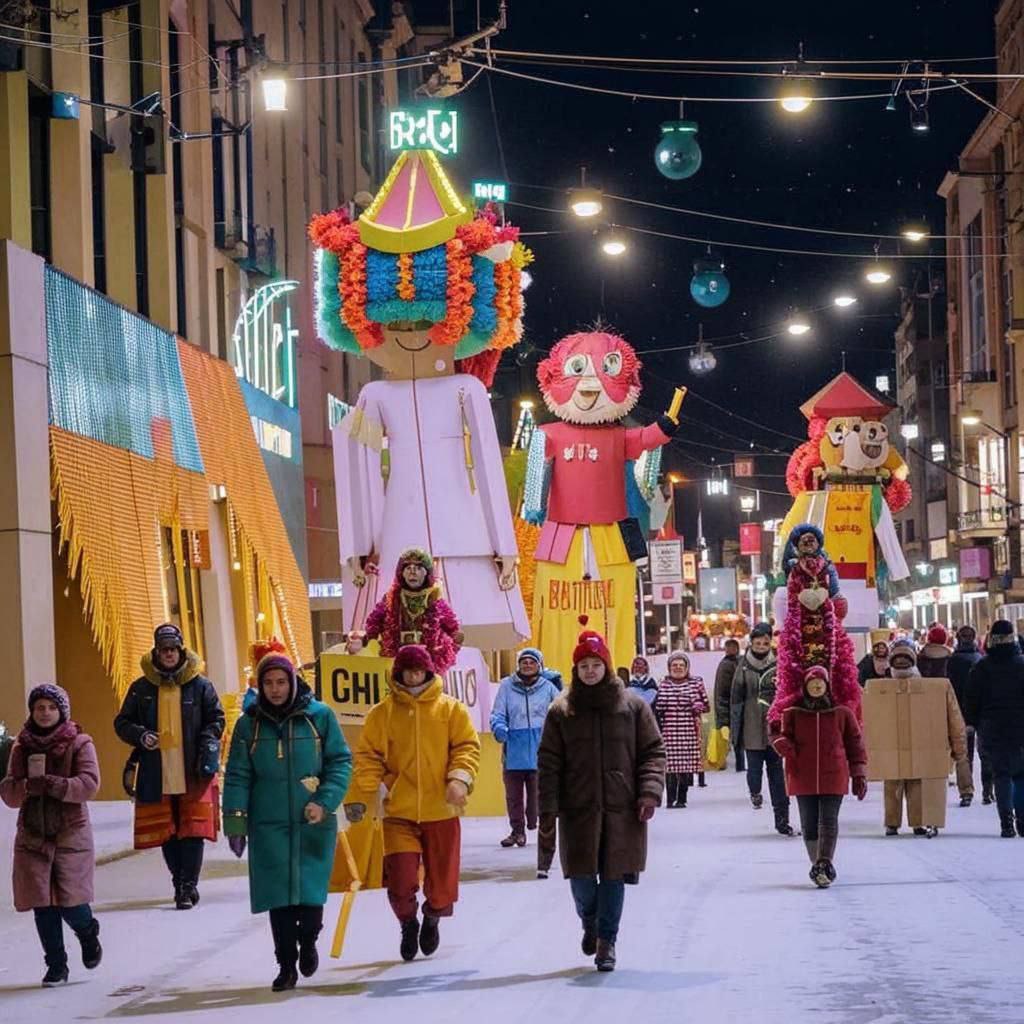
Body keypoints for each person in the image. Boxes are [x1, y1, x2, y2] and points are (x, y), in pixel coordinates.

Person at [537, 620, 666, 972]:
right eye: (584, 666)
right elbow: (548, 762)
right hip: (577, 810)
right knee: (581, 880)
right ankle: (589, 922)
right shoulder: (562, 711)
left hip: (622, 810)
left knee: (613, 875)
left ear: (606, 666)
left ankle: (607, 941)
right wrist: (547, 808)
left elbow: (653, 751)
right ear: (575, 669)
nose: (590, 671)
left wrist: (649, 793)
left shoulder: (633, 707)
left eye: (596, 665)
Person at [223, 653, 351, 992]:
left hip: (312, 823)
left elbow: (340, 762)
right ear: (260, 685)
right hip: (267, 826)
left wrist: (324, 802)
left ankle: (308, 942)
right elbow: (237, 775)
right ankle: (286, 966)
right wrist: (235, 822)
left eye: (281, 682)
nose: (275, 689)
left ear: (292, 682)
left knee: (310, 899)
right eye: (268, 683)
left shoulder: (319, 717)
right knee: (277, 899)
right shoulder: (248, 725)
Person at [344, 645, 480, 961]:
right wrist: (376, 785)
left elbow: (466, 747)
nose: (414, 676)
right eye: (408, 671)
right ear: (399, 674)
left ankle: (432, 916)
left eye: (419, 670)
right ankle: (408, 922)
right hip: (398, 811)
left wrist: (458, 779)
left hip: (441, 809)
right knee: (401, 877)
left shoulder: (451, 710)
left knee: (443, 878)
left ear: (429, 671)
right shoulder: (382, 713)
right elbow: (367, 754)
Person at [114, 623, 225, 909]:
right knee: (168, 831)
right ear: (156, 652)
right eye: (164, 650)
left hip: (192, 769)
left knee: (192, 830)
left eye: (173, 649)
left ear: (181, 650)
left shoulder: (201, 685)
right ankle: (180, 882)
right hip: (156, 769)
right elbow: (122, 723)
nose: (169, 654)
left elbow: (216, 718)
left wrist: (208, 740)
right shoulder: (141, 688)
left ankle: (188, 886)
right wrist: (141, 735)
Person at [1, 684, 102, 987]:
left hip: (70, 833)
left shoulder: (80, 742)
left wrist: (56, 785)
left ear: (62, 711)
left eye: (51, 707)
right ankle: (56, 965)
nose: (45, 713)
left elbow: (89, 784)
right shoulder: (21, 746)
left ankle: (87, 932)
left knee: (71, 902)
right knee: (42, 903)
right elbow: (8, 791)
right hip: (32, 835)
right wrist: (27, 787)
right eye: (39, 708)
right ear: (32, 712)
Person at [770, 667, 868, 888]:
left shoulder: (842, 713)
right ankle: (816, 863)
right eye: (812, 683)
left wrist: (859, 772)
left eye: (820, 683)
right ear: (805, 687)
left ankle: (824, 862)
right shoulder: (792, 713)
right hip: (801, 775)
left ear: (827, 686)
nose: (816, 687)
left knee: (828, 820)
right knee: (809, 823)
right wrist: (781, 744)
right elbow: (775, 730)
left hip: (834, 774)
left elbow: (855, 743)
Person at [882, 639, 967, 838]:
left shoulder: (880, 689)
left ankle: (892, 822)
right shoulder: (930, 687)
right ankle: (918, 822)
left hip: (891, 743)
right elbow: (951, 717)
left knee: (892, 783)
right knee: (917, 783)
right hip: (923, 742)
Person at [490, 647, 561, 849]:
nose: (527, 665)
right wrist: (500, 728)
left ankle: (532, 821)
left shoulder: (548, 688)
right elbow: (498, 713)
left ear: (539, 665)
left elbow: (560, 712)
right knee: (513, 796)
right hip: (513, 750)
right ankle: (517, 831)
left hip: (540, 751)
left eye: (532, 662)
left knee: (536, 796)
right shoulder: (506, 686)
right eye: (524, 662)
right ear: (518, 665)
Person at [730, 623, 795, 835]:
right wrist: (730, 725)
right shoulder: (743, 666)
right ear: (751, 643)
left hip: (773, 725)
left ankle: (782, 818)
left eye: (765, 642)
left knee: (777, 774)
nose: (761, 646)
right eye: (757, 643)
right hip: (750, 725)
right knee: (754, 769)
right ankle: (755, 792)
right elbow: (734, 698)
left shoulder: (778, 665)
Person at [966, 620, 1024, 838]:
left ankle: (1006, 823)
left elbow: (972, 698)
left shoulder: (981, 667)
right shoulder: (1022, 664)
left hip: (992, 727)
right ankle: (1023, 819)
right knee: (1021, 775)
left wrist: (971, 722)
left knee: (1001, 775)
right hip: (1020, 727)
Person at [362, 548, 463, 673]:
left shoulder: (436, 601)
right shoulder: (390, 599)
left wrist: (444, 655)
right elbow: (373, 624)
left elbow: (455, 632)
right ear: (401, 573)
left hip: (428, 665)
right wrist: (370, 642)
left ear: (427, 573)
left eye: (419, 568)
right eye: (408, 568)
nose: (412, 573)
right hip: (396, 661)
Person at [653, 651, 710, 808]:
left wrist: (697, 706)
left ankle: (682, 798)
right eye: (674, 665)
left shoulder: (696, 683)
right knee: (670, 766)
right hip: (670, 731)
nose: (678, 668)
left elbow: (706, 706)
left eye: (681, 665)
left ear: (687, 667)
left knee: (685, 765)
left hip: (689, 730)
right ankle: (670, 799)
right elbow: (657, 708)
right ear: (669, 667)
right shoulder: (663, 684)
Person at [948, 625, 990, 806]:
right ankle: (988, 791)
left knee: (964, 753)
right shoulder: (980, 659)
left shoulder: (952, 660)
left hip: (960, 711)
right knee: (985, 752)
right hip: (982, 712)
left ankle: (967, 791)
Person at [713, 639, 742, 770]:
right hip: (727, 704)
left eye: (733, 647)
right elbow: (726, 688)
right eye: (728, 647)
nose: (730, 650)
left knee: (731, 734)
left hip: (728, 704)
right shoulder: (727, 664)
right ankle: (732, 763)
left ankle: (732, 762)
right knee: (730, 734)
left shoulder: (735, 662)